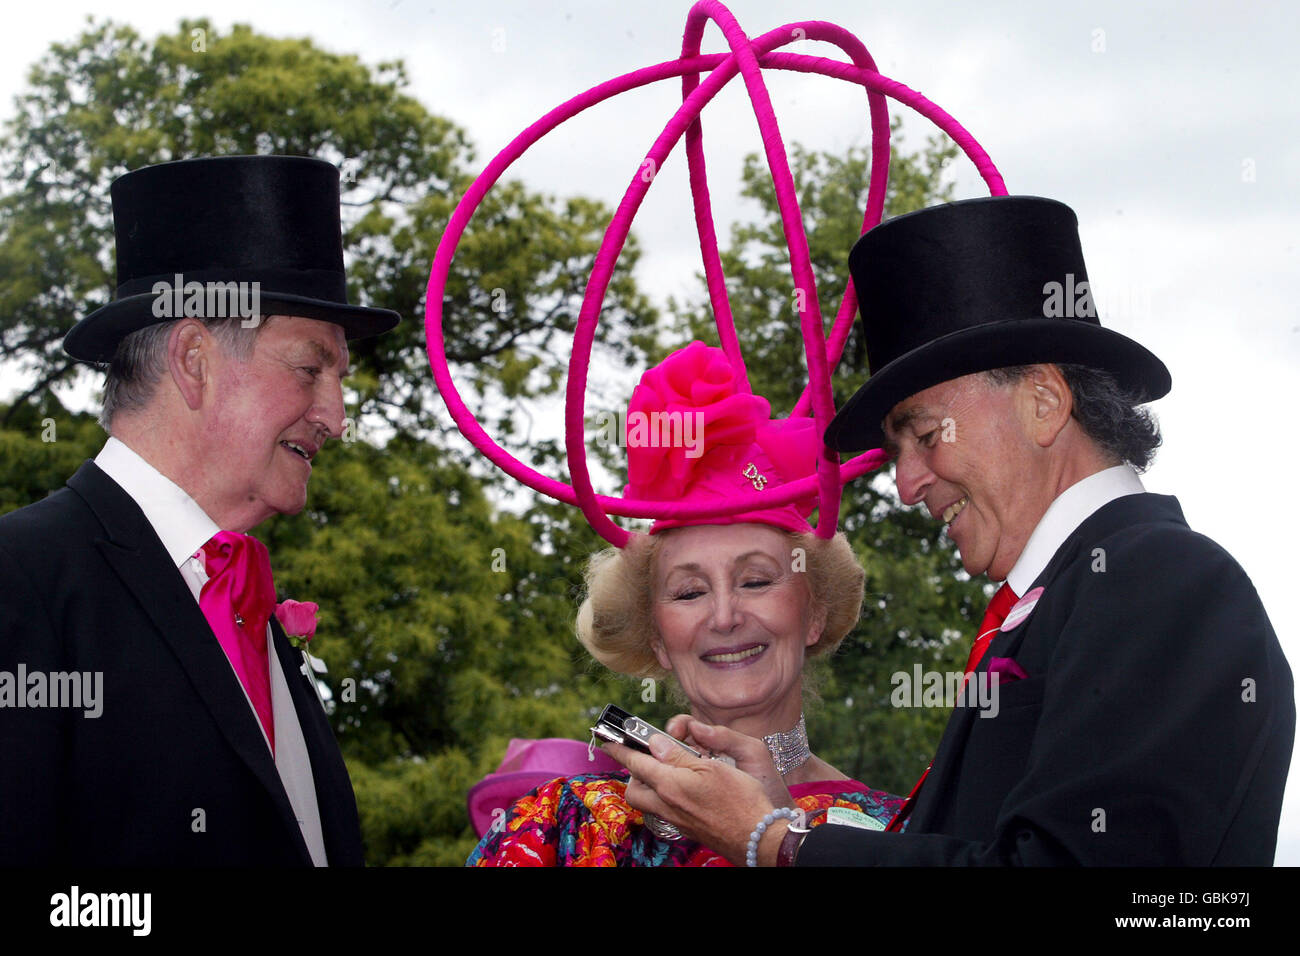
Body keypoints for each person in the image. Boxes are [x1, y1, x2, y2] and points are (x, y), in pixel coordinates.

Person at [604, 195, 1295, 866]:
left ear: (1043, 402)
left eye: (926, 435)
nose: (905, 484)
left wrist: (776, 842)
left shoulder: (1163, 578)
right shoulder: (1057, 602)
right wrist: (780, 812)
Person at [0, 155, 400, 865]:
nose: (336, 418)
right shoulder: (20, 577)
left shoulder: (252, 610)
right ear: (194, 359)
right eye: (311, 368)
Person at [467, 342, 903, 866]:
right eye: (690, 593)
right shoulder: (560, 828)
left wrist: (784, 842)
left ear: (814, 614)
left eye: (757, 581)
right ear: (657, 638)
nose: (724, 616)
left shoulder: (897, 833)